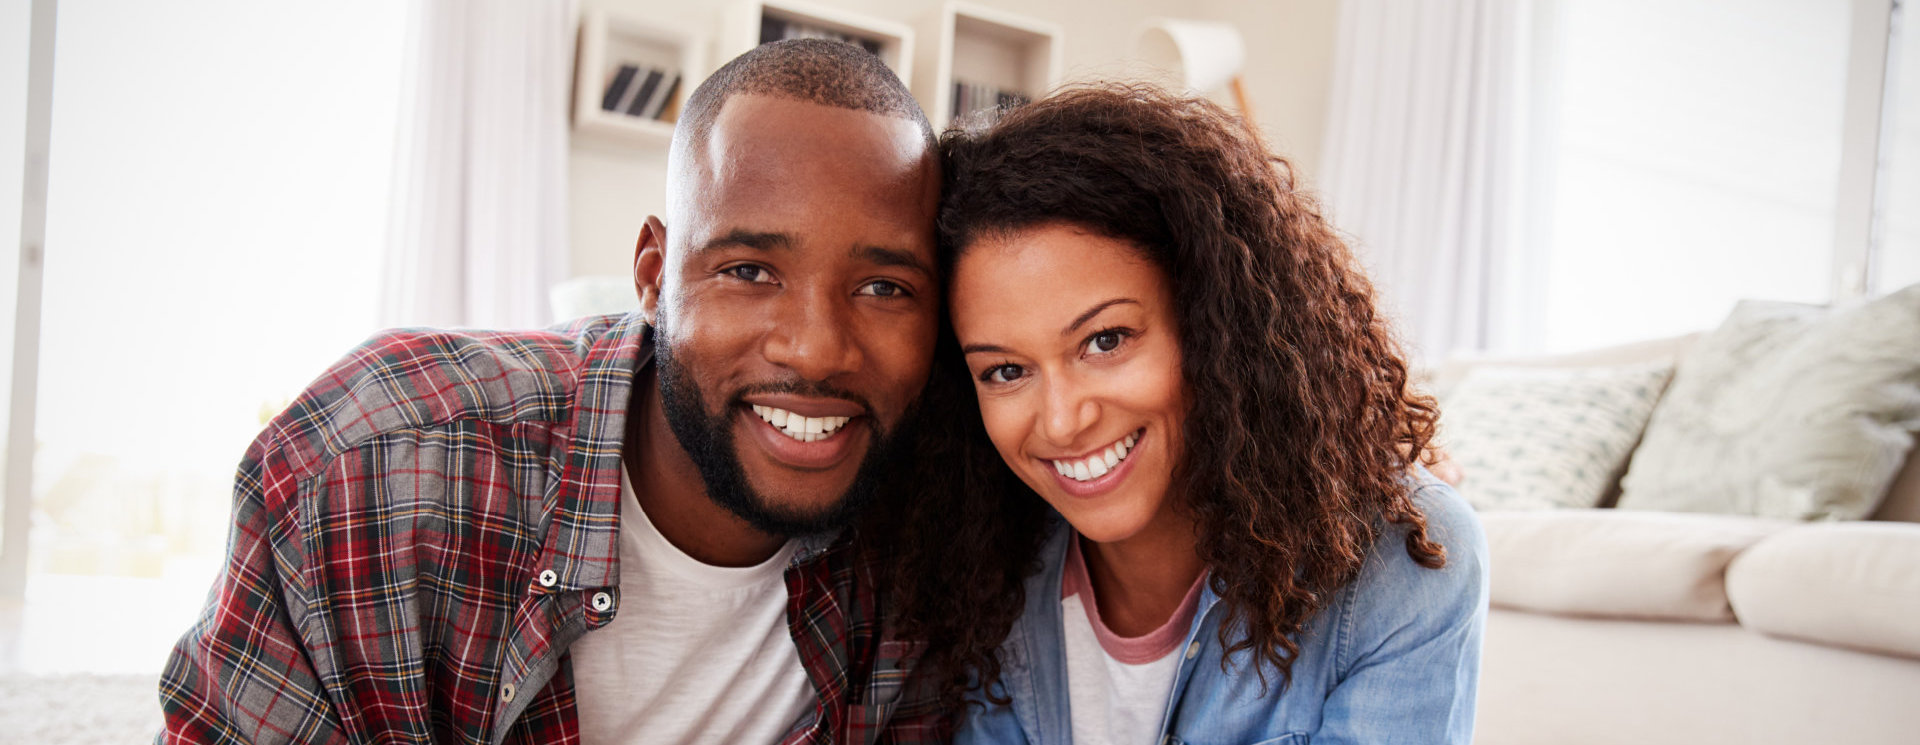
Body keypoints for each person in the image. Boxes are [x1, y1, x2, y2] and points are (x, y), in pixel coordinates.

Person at [159, 40, 949, 744]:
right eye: (748, 271)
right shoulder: (376, 461)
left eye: (884, 286)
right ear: (653, 275)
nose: (815, 347)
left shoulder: (947, 522)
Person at [888, 83, 1490, 743]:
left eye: (1106, 340)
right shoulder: (980, 564)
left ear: (1215, 325)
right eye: (1006, 370)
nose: (1061, 421)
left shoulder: (1403, 565)